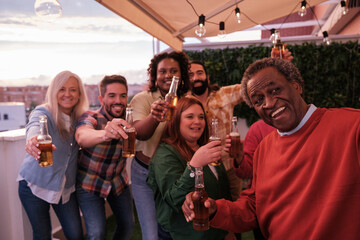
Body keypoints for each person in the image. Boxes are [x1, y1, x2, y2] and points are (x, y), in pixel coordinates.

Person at [182, 57, 360, 239]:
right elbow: (254, 206)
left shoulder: (351, 127)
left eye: (275, 90)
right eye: (258, 100)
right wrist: (214, 209)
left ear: (297, 86)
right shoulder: (264, 148)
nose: (268, 103)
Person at [188, 46, 293, 201]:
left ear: (207, 77)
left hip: (229, 165)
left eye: (199, 73)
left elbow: (252, 86)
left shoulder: (224, 94)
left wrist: (276, 65)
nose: (195, 77)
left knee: (235, 204)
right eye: (190, 74)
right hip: (202, 167)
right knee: (208, 207)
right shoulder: (184, 103)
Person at [147, 96, 232, 239]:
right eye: (190, 116)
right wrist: (195, 165)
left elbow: (222, 190)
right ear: (175, 120)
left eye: (201, 117)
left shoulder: (206, 148)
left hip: (217, 231)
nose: (197, 122)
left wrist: (228, 229)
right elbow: (173, 198)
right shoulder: (165, 153)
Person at [18, 70, 88, 240]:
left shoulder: (80, 118)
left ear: (79, 94)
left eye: (73, 89)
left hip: (65, 187)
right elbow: (35, 124)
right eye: (62, 89)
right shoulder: (44, 112)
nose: (67, 94)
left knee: (75, 234)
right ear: (54, 91)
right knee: (42, 235)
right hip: (34, 184)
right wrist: (33, 139)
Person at [129, 51, 190, 240]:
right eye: (162, 71)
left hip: (174, 173)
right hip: (144, 173)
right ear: (154, 76)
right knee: (151, 234)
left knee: (175, 229)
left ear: (181, 75)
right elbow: (139, 132)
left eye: (174, 71)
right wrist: (154, 117)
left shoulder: (187, 101)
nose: (168, 75)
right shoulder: (142, 98)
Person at [75, 75, 134, 240]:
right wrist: (105, 134)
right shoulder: (91, 117)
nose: (118, 100)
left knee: (127, 225)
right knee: (97, 233)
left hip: (118, 182)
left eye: (123, 95)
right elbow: (82, 135)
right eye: (112, 95)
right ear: (101, 99)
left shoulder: (130, 118)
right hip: (90, 183)